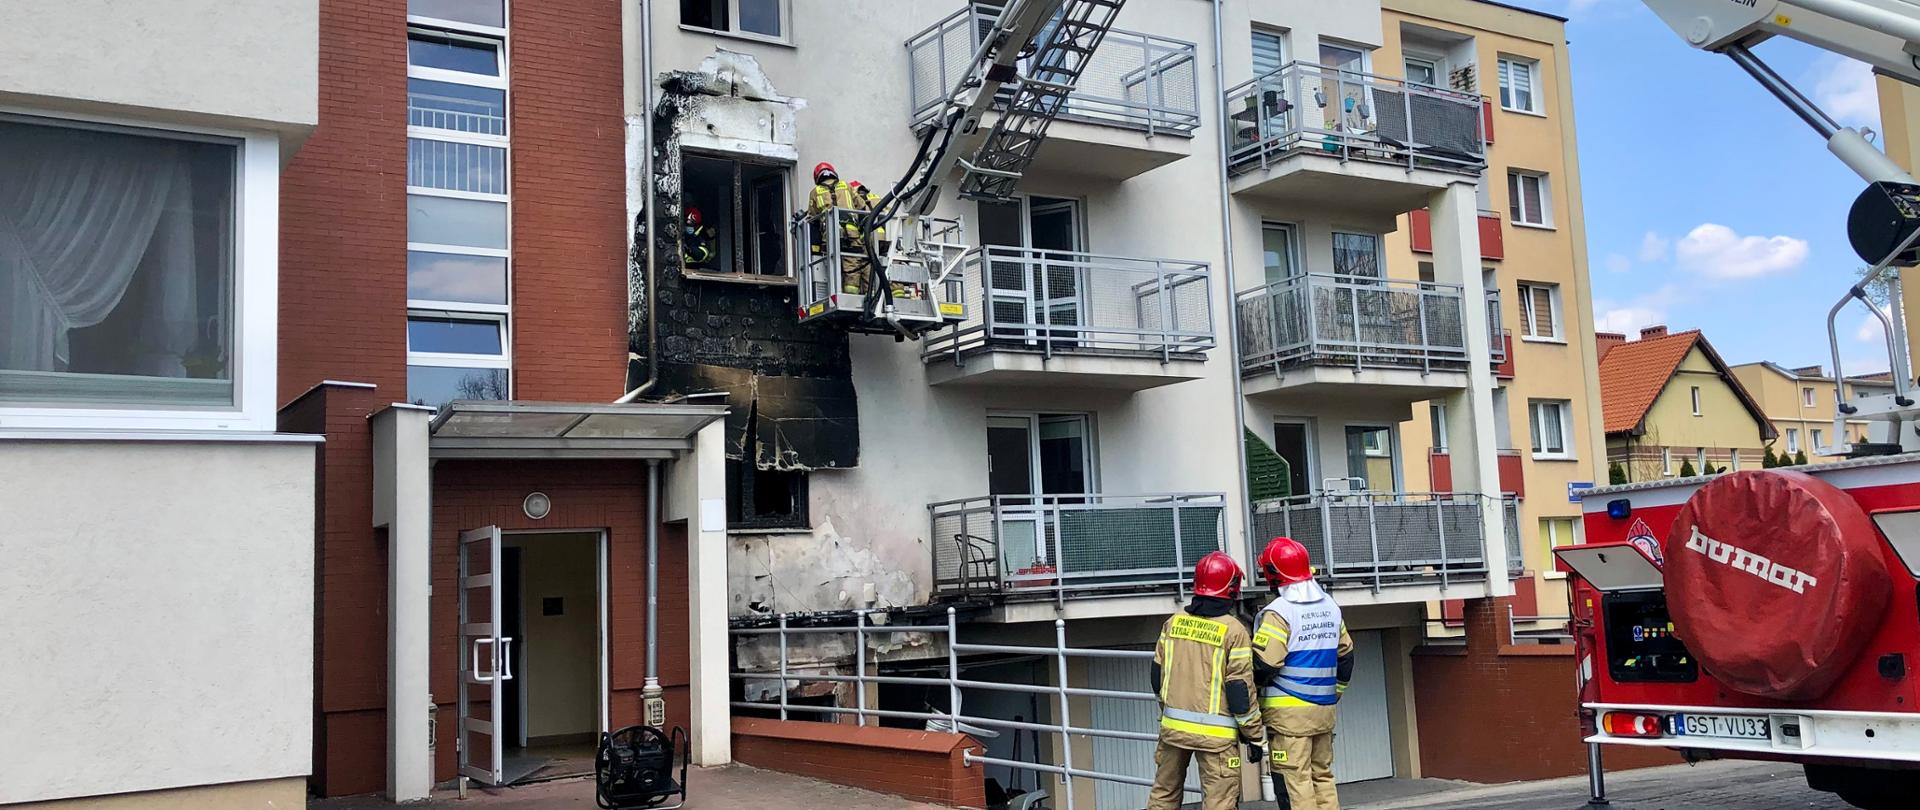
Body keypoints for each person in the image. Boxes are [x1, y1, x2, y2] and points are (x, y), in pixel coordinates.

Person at [1147, 551, 1265, 810]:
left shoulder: (1173, 623)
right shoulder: (1234, 631)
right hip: (1216, 740)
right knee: (1219, 803)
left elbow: (1157, 678)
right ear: (1231, 588)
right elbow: (1239, 691)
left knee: (1163, 795)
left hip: (1173, 731)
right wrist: (1254, 736)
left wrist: (1168, 711)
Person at [1252, 537, 1354, 810]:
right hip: (1324, 712)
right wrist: (1334, 695)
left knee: (1294, 782)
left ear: (1274, 574)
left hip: (1289, 718)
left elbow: (1265, 665)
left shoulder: (1279, 612)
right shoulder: (1330, 607)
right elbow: (1346, 657)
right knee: (1322, 777)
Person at [804, 162, 868, 294]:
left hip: (830, 236)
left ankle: (836, 293)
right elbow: (861, 207)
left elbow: (812, 218)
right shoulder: (846, 185)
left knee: (833, 266)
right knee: (853, 266)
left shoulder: (815, 192)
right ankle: (851, 295)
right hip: (852, 234)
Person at [682, 206, 717, 270]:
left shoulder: (700, 239)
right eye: (685, 221)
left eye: (691, 223)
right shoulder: (679, 232)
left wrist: (688, 248)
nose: (687, 223)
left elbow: (700, 254)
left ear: (697, 226)